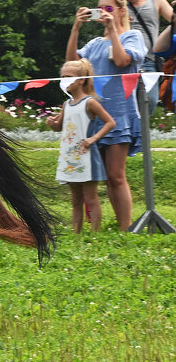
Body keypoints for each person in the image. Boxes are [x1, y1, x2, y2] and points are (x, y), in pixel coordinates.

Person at [66, 0, 147, 231]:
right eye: (99, 8)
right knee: (95, 176)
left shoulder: (133, 36)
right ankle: (101, 225)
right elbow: (72, 64)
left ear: (122, 11)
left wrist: (113, 30)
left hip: (119, 114)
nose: (103, 13)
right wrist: (75, 28)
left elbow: (122, 61)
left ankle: (125, 228)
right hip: (94, 116)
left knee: (115, 175)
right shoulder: (94, 44)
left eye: (108, 9)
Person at [48, 59, 115, 233]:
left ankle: (94, 235)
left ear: (81, 80)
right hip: (69, 157)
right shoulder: (66, 104)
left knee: (91, 198)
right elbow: (59, 127)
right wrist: (51, 124)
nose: (64, 80)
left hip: (86, 158)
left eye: (68, 76)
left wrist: (93, 138)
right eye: (62, 77)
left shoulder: (90, 103)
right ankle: (76, 234)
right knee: (75, 200)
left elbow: (110, 122)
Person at [116, 0, 173, 113]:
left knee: (150, 101)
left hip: (149, 60)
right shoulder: (120, 6)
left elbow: (174, 21)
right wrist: (121, 23)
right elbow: (110, 32)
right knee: (126, 103)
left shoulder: (156, 0)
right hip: (126, 60)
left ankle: (142, 133)